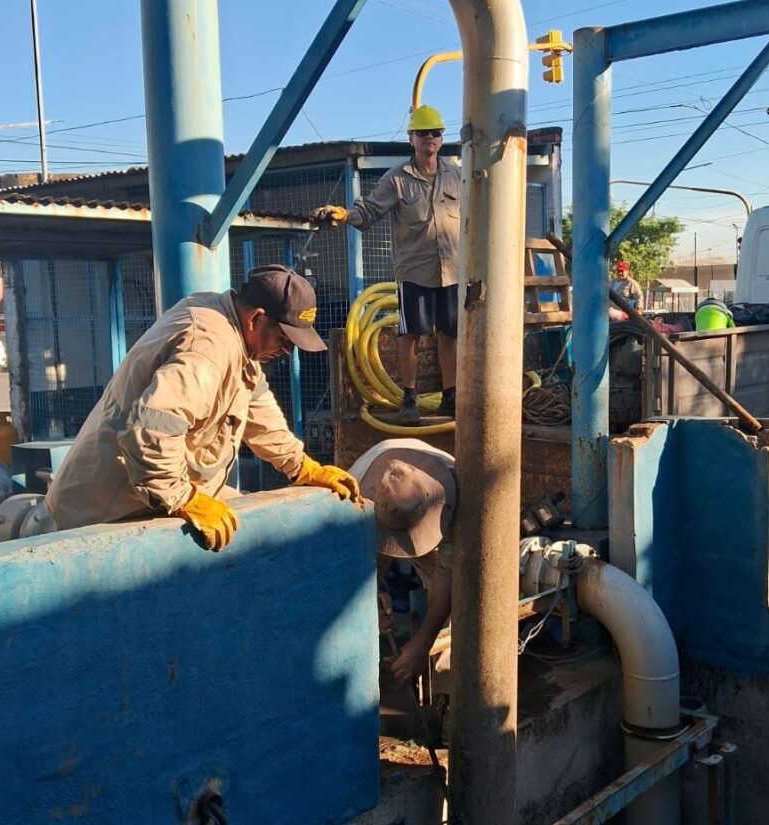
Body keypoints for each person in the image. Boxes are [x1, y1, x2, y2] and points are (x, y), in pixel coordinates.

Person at [45, 265, 360, 550]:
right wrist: (184, 499)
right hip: (105, 509)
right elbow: (152, 429)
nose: (287, 351)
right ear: (257, 318)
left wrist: (302, 467)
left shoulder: (235, 335)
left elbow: (258, 409)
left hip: (144, 496)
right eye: (284, 339)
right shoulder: (208, 344)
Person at [313, 104, 460, 426]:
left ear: (441, 138)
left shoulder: (456, 175)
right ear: (411, 138)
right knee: (411, 336)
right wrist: (343, 214)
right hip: (415, 270)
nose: (429, 139)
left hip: (451, 270)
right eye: (423, 133)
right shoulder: (397, 179)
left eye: (435, 133)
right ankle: (410, 398)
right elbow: (369, 211)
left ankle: (451, 395)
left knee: (450, 333)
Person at [349, 438, 455, 684]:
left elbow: (450, 580)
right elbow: (362, 558)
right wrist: (376, 589)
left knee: (460, 604)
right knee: (368, 599)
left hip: (437, 522)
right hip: (379, 518)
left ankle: (443, 688)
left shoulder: (456, 499)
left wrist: (423, 642)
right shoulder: (355, 490)